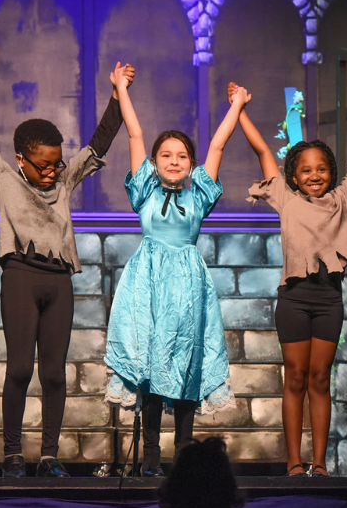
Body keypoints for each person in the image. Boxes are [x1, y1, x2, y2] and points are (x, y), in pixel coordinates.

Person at [0, 56, 135, 478]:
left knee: (54, 373)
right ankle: (11, 454)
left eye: (56, 163)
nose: (52, 171)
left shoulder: (63, 179)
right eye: (43, 164)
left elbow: (99, 145)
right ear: (22, 158)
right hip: (21, 276)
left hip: (59, 280)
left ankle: (48, 455)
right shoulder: (4, 177)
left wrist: (118, 93)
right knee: (21, 368)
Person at [236, 83, 347, 477]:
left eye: (321, 169)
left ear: (331, 173)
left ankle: (319, 463)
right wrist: (241, 109)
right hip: (295, 301)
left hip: (329, 300)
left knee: (320, 379)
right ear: (294, 177)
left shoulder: (341, 199)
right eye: (306, 170)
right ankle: (294, 463)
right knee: (296, 378)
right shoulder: (286, 199)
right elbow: (264, 151)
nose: (314, 175)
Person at [104, 80, 247, 476]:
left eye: (181, 155)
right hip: (148, 280)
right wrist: (122, 89)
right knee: (150, 364)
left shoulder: (198, 194)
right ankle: (150, 459)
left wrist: (235, 105)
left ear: (190, 163)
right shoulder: (145, 191)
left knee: (187, 363)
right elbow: (134, 132)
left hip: (187, 285)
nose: (173, 160)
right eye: (165, 155)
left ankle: (184, 457)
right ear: (154, 162)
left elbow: (217, 146)